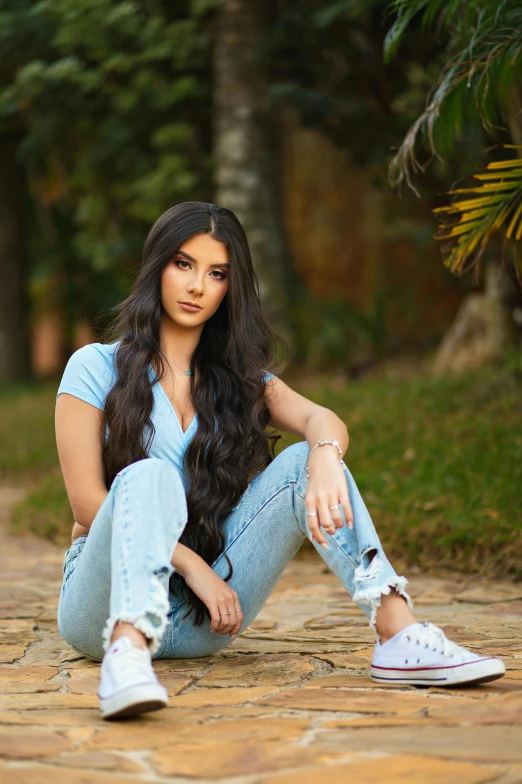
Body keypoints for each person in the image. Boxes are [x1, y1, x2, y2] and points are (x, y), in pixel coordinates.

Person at [55, 201, 505, 721]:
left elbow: (322, 419)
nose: (197, 285)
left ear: (230, 287)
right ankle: (127, 656)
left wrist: (325, 458)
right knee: (148, 476)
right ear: (156, 266)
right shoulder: (94, 367)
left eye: (216, 273)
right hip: (102, 611)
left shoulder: (239, 382)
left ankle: (398, 631)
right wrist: (193, 565)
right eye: (183, 264)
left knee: (303, 461)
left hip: (204, 620)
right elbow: (88, 503)